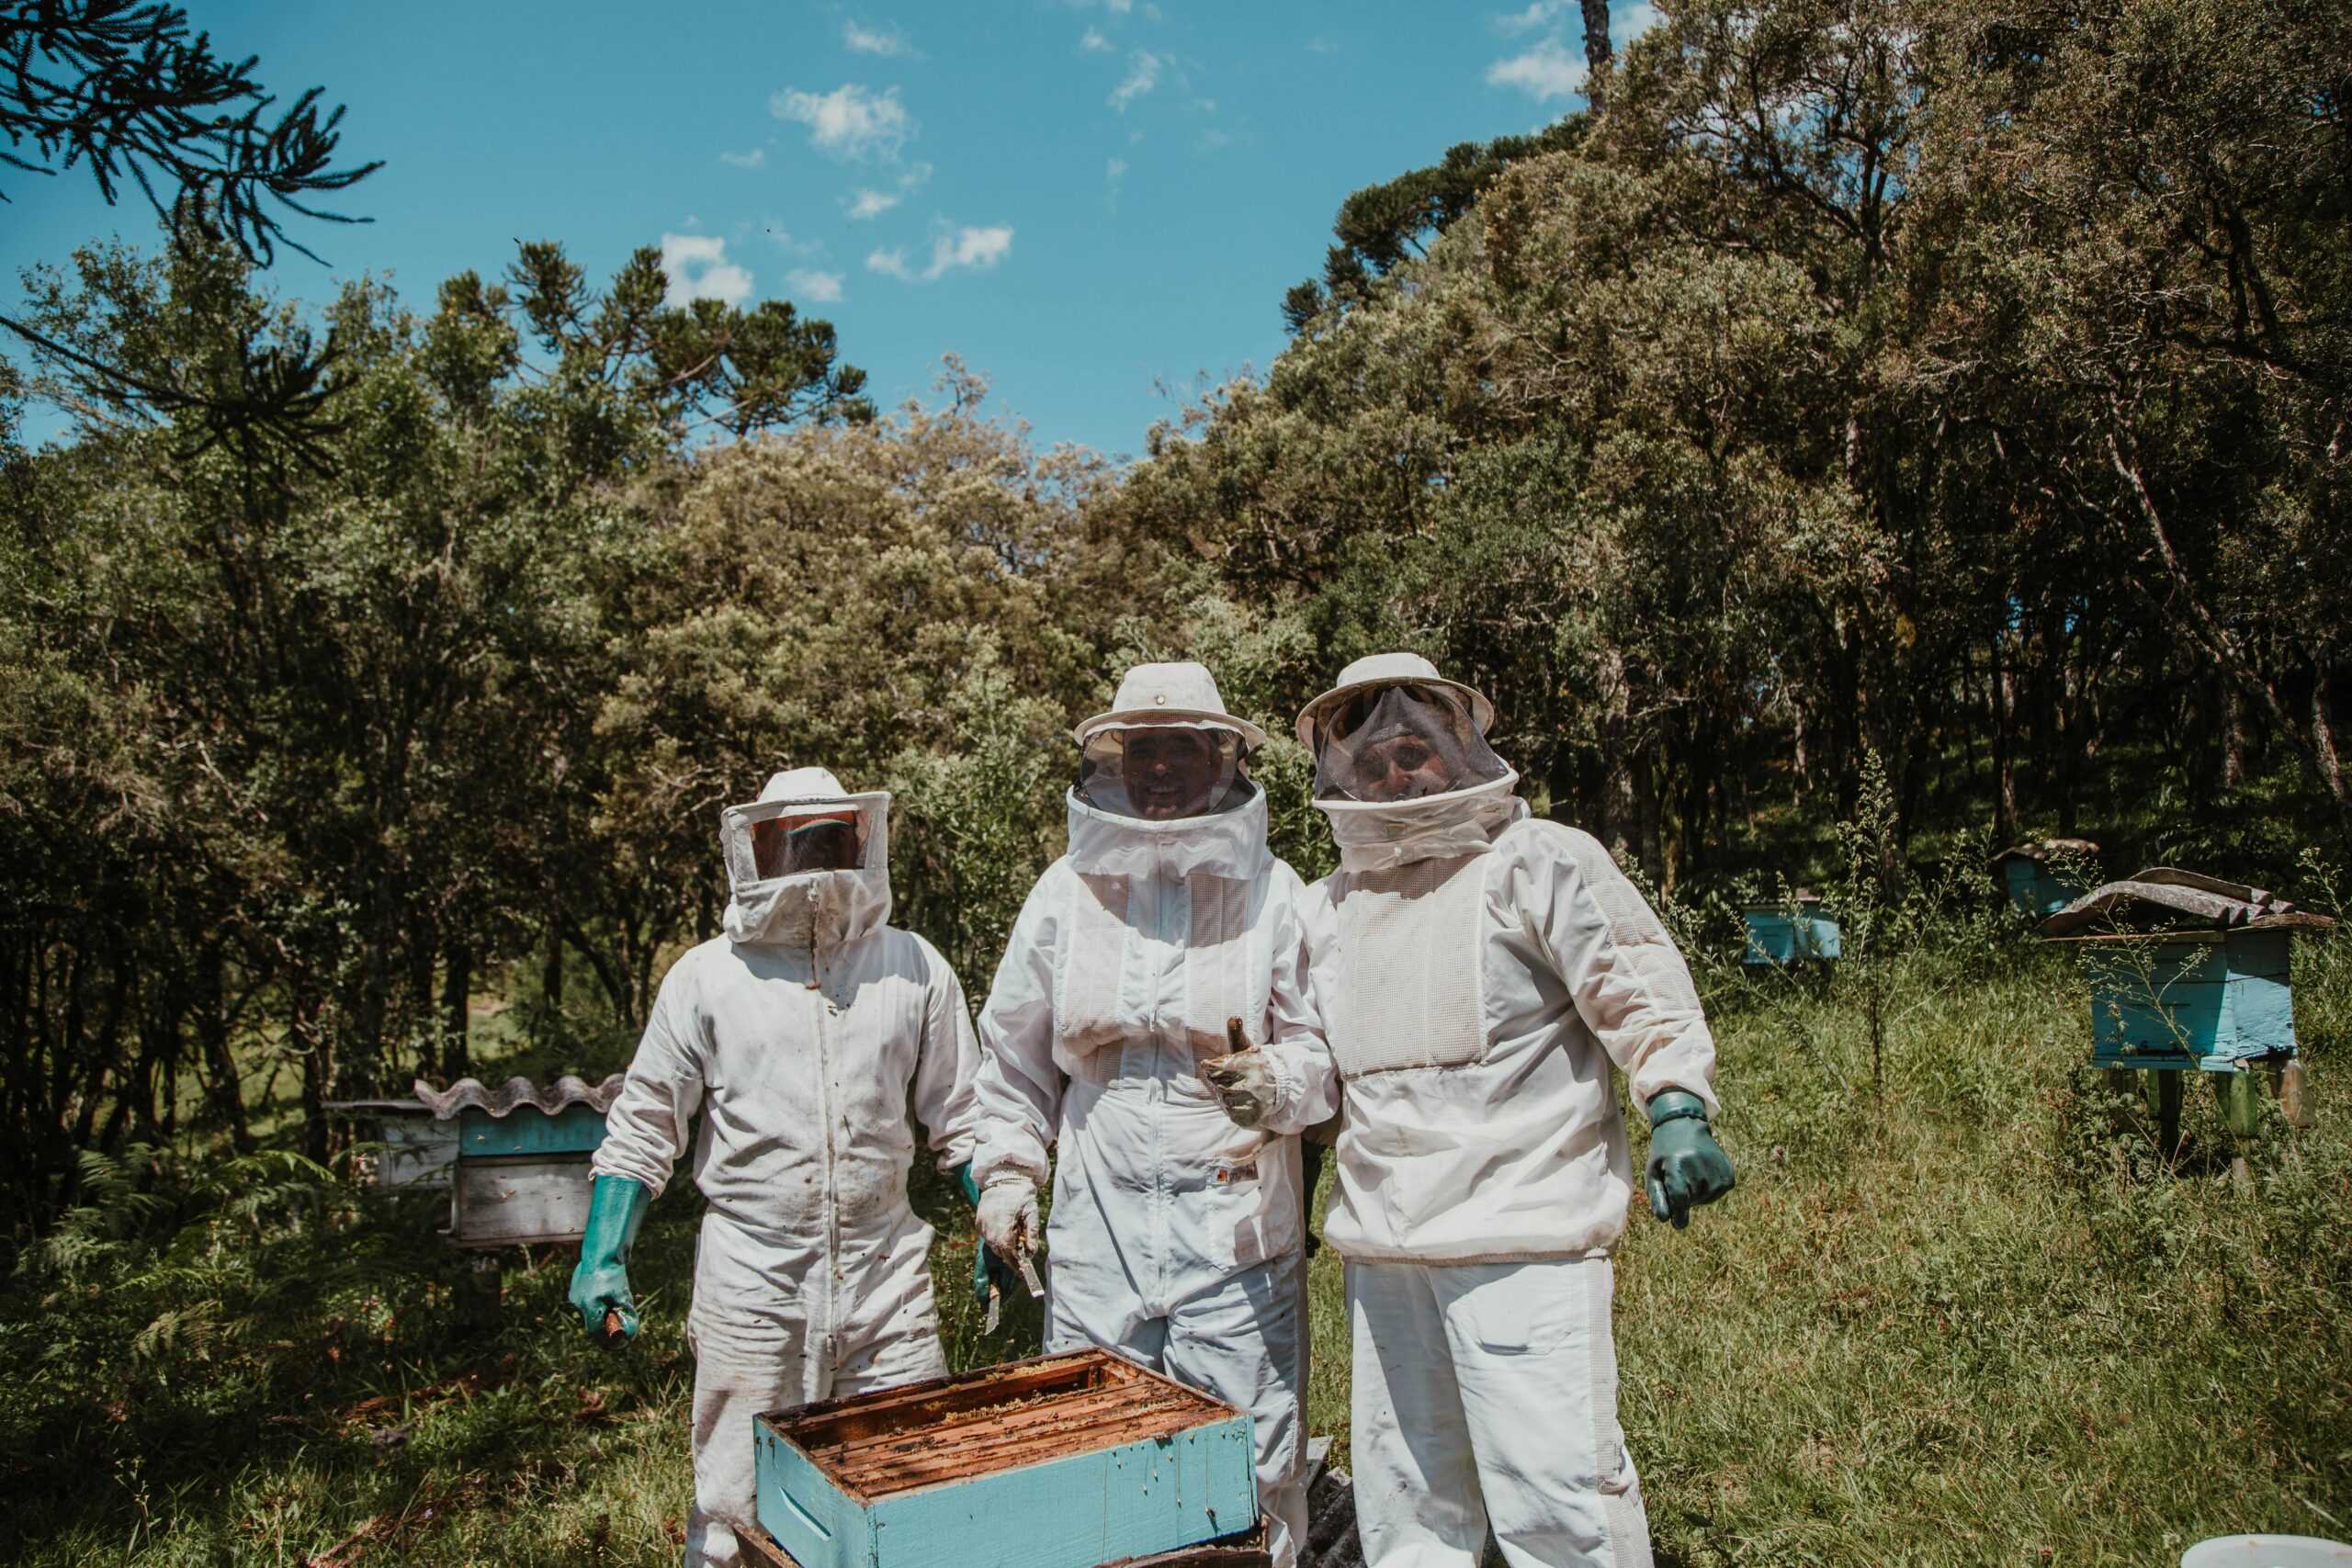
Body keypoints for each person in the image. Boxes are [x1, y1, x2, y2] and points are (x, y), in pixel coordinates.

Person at [1216, 652, 1734, 1568]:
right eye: (1369, 759)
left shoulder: (1538, 861)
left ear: (1462, 746)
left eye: (1413, 749)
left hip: (1524, 1233)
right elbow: (1326, 1069)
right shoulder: (1324, 906)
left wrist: (1678, 1102)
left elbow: (1636, 986)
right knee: (1405, 1503)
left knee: (1557, 1493)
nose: (1392, 771)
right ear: (1337, 773)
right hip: (1384, 1248)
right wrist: (1274, 1088)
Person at [569, 766, 982, 1568]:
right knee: (737, 1513)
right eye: (793, 842)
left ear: (858, 841)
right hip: (751, 1283)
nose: (815, 863)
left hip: (887, 1277)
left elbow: (962, 1117)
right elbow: (647, 1121)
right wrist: (602, 1252)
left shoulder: (913, 965)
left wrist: (997, 1211)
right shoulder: (707, 977)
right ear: (755, 848)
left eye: (828, 840)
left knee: (913, 1493)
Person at [969, 661, 1334, 1568]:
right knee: (1094, 1443)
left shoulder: (1275, 891)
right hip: (1100, 1221)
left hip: (1237, 1217)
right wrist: (1010, 1173)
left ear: (1220, 760)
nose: (1160, 768)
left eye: (1180, 747)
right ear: (1112, 764)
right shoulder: (1065, 892)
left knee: (1251, 1456)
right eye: (1142, 749)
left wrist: (1277, 1082)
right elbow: (1012, 1057)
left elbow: (1328, 1057)